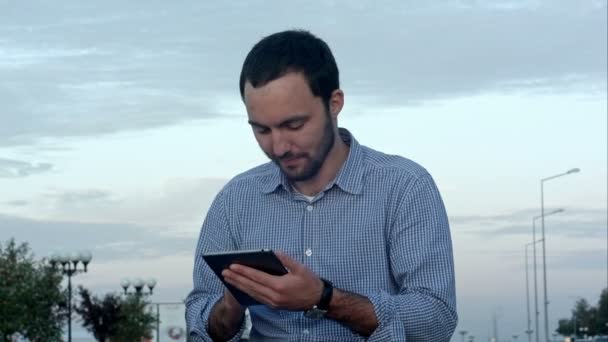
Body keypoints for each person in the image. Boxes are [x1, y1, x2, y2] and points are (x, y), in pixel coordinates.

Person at [185, 29, 457, 341]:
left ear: (334, 103)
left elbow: (436, 321)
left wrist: (325, 298)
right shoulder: (235, 199)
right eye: (262, 130)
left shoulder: (405, 187)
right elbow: (200, 324)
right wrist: (232, 304)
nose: (279, 146)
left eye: (294, 125)